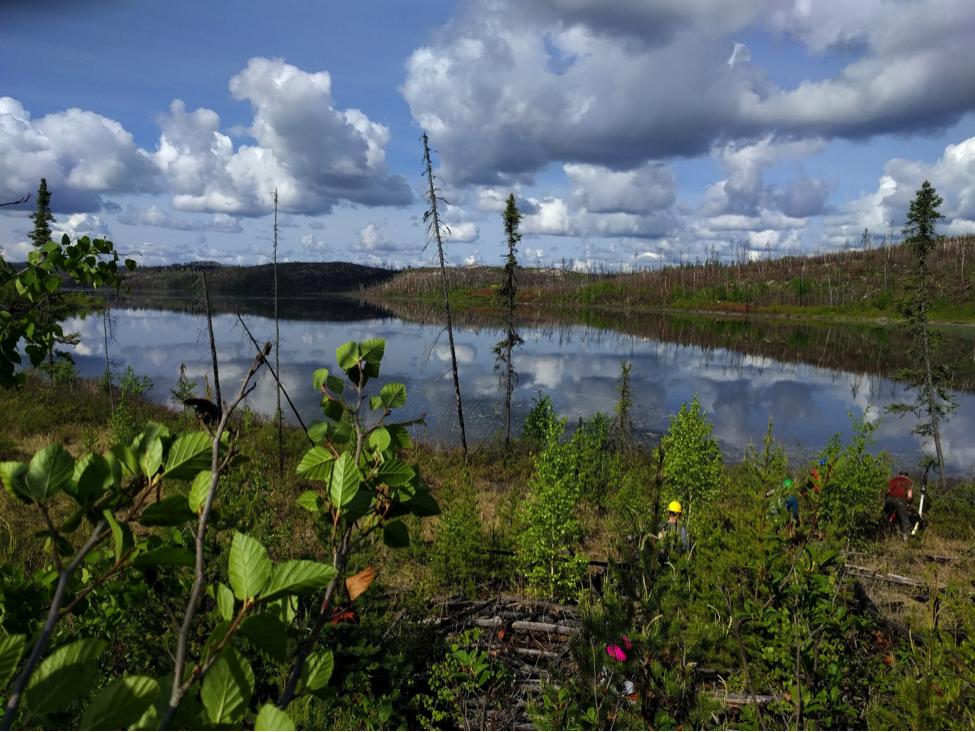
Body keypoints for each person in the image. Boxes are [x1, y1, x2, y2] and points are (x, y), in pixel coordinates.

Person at [884, 471, 915, 540]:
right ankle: (906, 538)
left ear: (898, 475)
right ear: (907, 477)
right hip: (900, 499)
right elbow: (910, 496)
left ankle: (883, 533)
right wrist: (908, 503)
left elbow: (886, 490)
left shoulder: (892, 480)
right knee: (905, 520)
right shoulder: (908, 482)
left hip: (888, 498)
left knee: (886, 517)